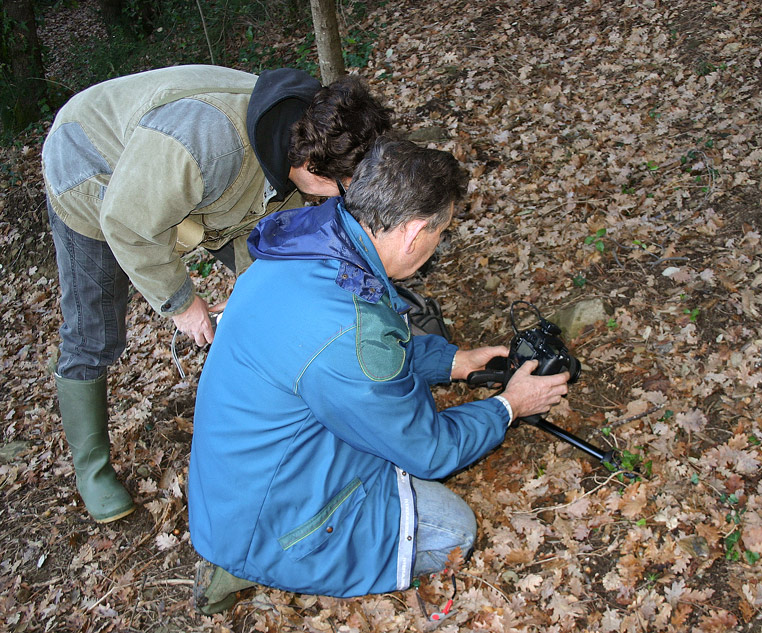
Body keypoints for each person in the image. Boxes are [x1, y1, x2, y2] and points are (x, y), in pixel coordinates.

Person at [187, 137, 570, 614]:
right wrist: (510, 405)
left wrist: (455, 361)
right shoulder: (349, 330)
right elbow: (430, 450)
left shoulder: (310, 246)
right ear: (413, 233)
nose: (436, 246)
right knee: (456, 529)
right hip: (270, 521)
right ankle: (246, 567)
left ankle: (239, 555)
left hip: (228, 489)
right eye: (440, 233)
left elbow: (356, 354)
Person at [42, 64, 392, 523]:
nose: (337, 202)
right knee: (95, 332)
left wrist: (262, 299)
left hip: (198, 191)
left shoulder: (301, 133)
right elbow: (127, 224)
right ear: (311, 166)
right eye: (340, 190)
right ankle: (91, 470)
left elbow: (268, 248)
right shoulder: (208, 144)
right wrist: (184, 305)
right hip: (89, 168)